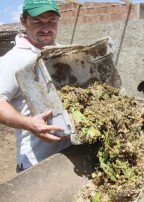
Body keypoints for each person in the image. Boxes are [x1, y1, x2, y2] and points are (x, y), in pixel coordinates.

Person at [0, 0, 71, 172]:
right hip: (36, 163)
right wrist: (30, 124)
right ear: (23, 21)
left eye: (51, 21)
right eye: (38, 21)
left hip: (71, 155)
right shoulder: (12, 60)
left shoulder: (65, 52)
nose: (46, 27)